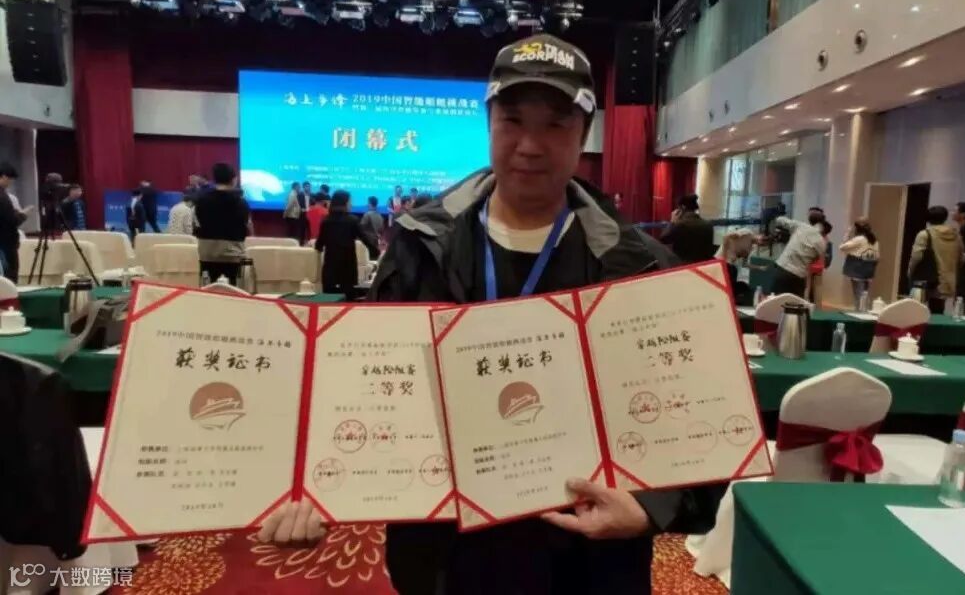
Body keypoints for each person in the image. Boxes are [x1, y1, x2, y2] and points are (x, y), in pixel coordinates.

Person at [259, 33, 724, 595]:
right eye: (512, 121)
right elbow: (360, 386)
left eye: (555, 124)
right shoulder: (419, 247)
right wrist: (314, 485)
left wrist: (651, 507)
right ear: (488, 123)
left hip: (587, 558)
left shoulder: (640, 265)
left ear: (583, 135)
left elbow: (697, 415)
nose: (530, 144)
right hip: (449, 554)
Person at [194, 163, 250, 285]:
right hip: (233, 255)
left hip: (207, 254)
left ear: (214, 179)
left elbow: (198, 223)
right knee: (233, 291)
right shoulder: (241, 203)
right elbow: (245, 227)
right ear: (234, 180)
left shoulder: (202, 200)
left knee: (208, 290)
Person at [908, 205, 965, 314]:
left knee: (917, 312)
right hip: (946, 281)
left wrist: (910, 272)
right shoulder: (956, 236)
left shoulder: (925, 234)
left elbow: (916, 257)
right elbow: (961, 257)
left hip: (926, 280)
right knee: (937, 311)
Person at [314, 190, 371, 296]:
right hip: (347, 269)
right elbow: (365, 239)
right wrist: (376, 252)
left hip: (330, 269)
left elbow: (319, 245)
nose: (351, 204)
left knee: (329, 299)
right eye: (350, 202)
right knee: (348, 298)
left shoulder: (326, 221)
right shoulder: (353, 220)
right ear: (344, 203)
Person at [770, 208, 826, 297]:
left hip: (783, 269)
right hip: (799, 275)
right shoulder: (822, 242)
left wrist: (778, 217)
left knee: (777, 300)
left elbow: (782, 221)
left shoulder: (801, 226)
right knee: (796, 303)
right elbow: (816, 259)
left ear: (809, 220)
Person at [660, 193, 715, 265]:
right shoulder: (708, 225)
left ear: (682, 208)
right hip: (702, 266)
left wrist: (672, 222)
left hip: (683, 266)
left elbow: (663, 239)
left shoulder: (680, 225)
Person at [0, 163, 32, 282]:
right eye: (10, 179)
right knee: (9, 278)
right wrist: (24, 214)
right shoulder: (2, 196)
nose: (10, 183)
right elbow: (11, 220)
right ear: (4, 176)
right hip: (5, 243)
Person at [839, 218, 880, 306]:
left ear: (857, 228)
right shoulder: (874, 239)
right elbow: (877, 256)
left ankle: (859, 311)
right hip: (869, 269)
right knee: (864, 294)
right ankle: (864, 309)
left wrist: (847, 234)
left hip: (857, 269)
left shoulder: (859, 239)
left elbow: (842, 247)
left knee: (858, 295)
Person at [806, 220, 833, 305]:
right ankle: (817, 305)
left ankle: (806, 304)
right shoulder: (827, 240)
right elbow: (829, 255)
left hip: (810, 265)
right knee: (818, 288)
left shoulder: (815, 238)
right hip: (820, 267)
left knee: (807, 287)